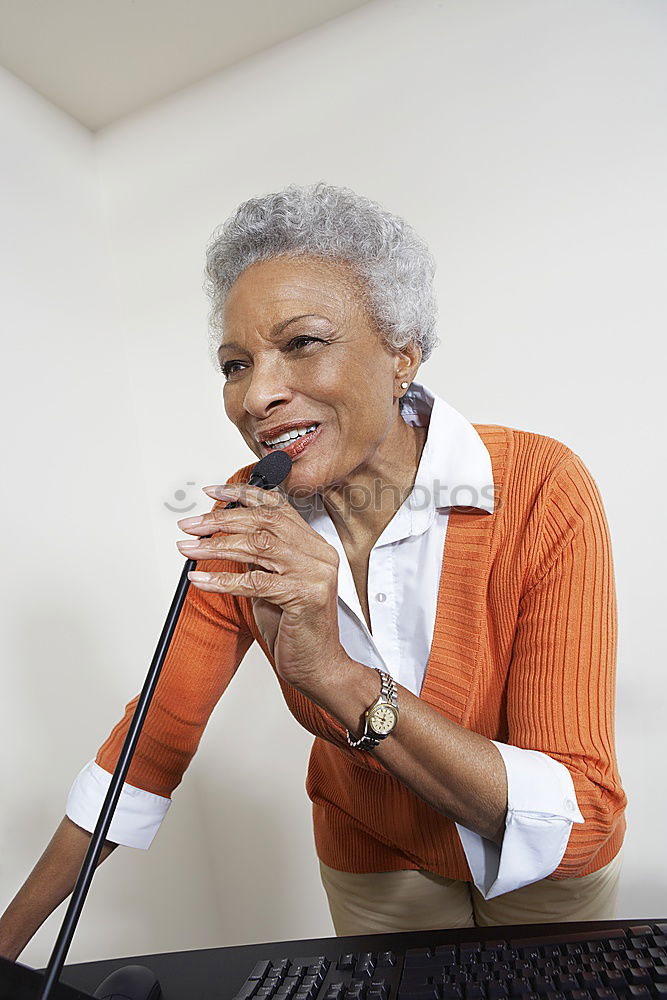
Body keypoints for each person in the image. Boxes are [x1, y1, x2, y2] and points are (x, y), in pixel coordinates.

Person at [0, 182, 626, 958]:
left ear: (401, 354)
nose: (257, 394)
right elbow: (149, 747)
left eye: (301, 343)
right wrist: (8, 939)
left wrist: (333, 672)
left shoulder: (538, 486)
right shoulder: (248, 517)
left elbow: (580, 812)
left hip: (539, 866)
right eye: (235, 364)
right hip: (372, 862)